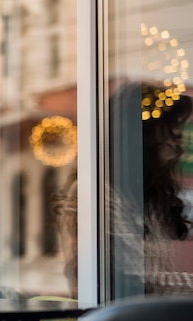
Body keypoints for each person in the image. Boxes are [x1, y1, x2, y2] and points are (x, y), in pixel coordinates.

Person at [54, 81, 193, 298]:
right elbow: (132, 279)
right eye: (169, 128)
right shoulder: (97, 194)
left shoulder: (147, 196)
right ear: (143, 135)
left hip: (147, 320)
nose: (178, 140)